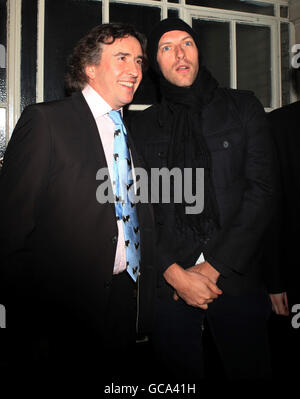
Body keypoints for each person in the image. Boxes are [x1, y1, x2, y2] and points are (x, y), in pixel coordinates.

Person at [0, 23, 155, 380]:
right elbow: (9, 232)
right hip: (59, 316)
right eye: (122, 58)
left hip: (121, 304)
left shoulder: (129, 133)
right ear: (89, 67)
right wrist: (33, 314)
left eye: (138, 61)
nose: (135, 70)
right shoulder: (46, 121)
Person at [129, 18, 277, 380]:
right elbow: (138, 209)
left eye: (187, 44)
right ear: (156, 64)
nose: (179, 53)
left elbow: (263, 191)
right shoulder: (143, 125)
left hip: (236, 278)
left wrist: (212, 267)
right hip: (171, 289)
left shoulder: (242, 107)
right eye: (166, 47)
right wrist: (176, 275)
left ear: (198, 52)